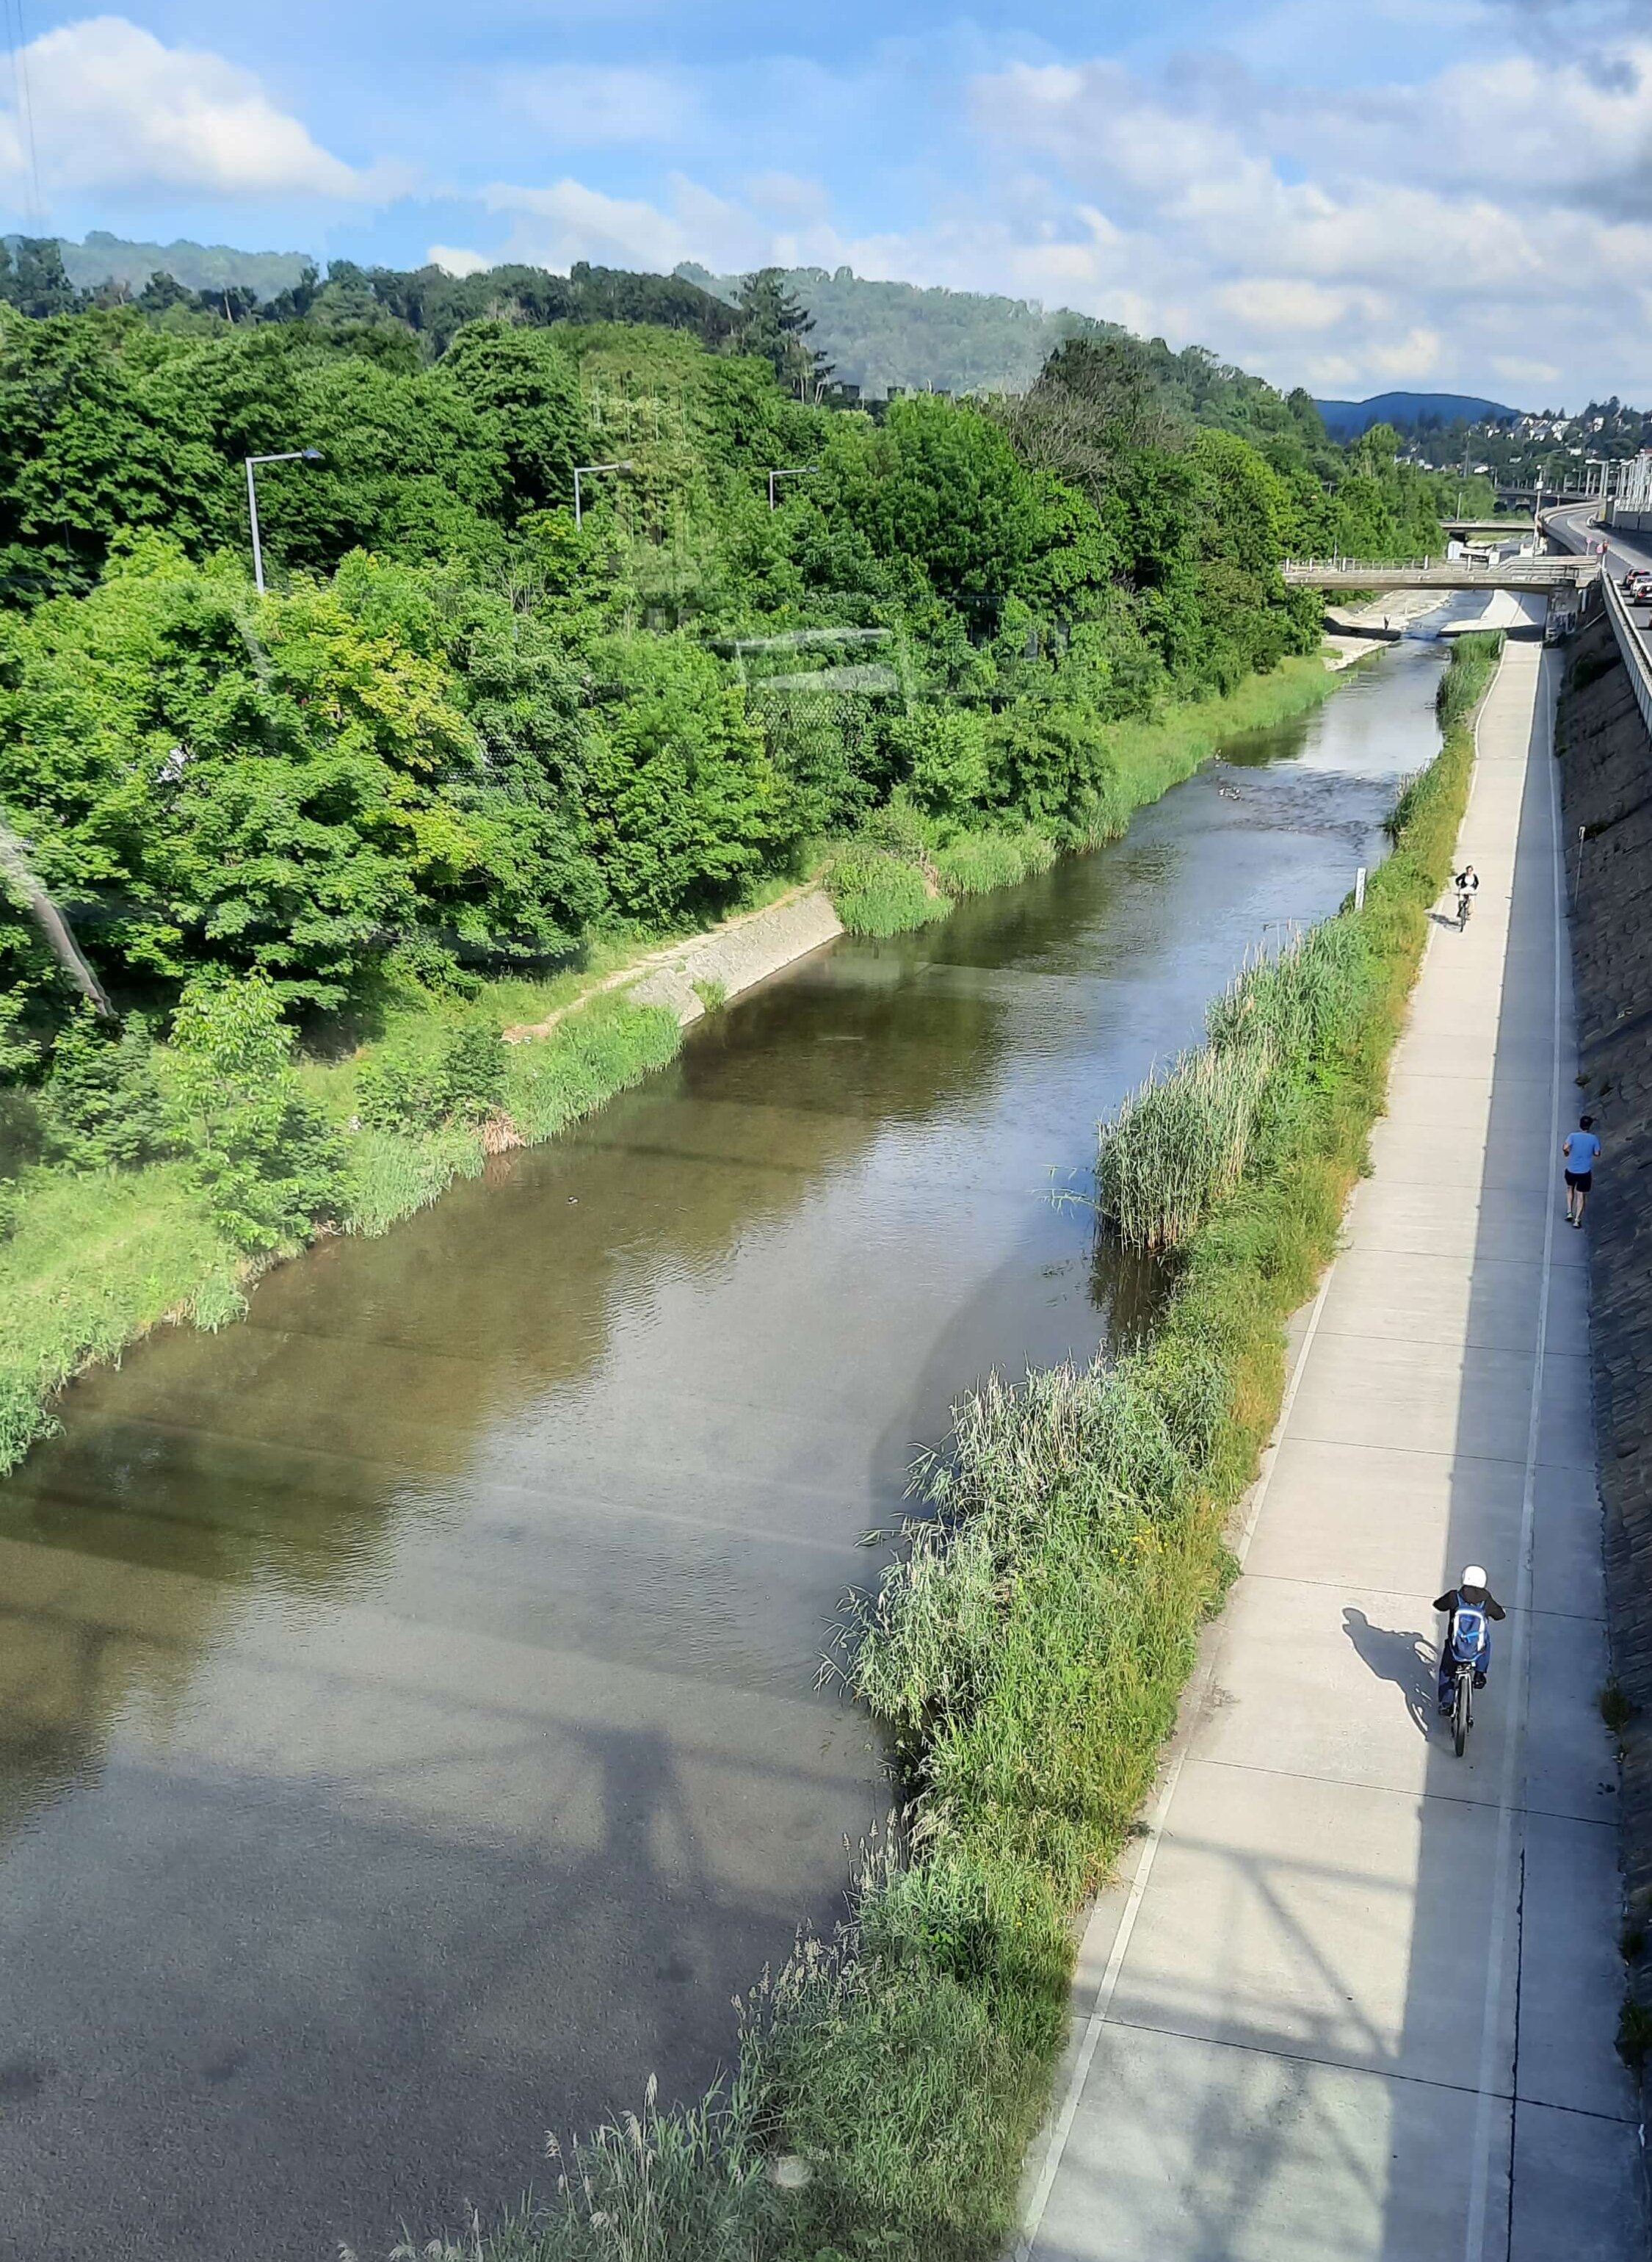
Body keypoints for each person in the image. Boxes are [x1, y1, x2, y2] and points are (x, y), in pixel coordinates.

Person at [1435, 1567, 1506, 1714]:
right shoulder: (1487, 1600)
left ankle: (1446, 1704)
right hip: (1475, 1648)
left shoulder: (1454, 1596)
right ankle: (1480, 1674)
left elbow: (1438, 1605)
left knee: (1446, 1669)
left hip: (1456, 1645)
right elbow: (1500, 1616)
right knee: (1485, 1643)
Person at [1563, 1114, 1601, 1229]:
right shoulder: (1594, 1139)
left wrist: (1567, 1153)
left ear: (1580, 1125)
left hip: (1571, 1170)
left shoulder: (1573, 1136)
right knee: (1581, 1195)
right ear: (1589, 1126)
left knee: (1570, 1189)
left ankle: (1569, 1211)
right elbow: (1597, 1153)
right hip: (1584, 1172)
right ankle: (1577, 1219)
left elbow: (1566, 1148)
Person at [1453, 864, 1479, 928]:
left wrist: (1474, 889)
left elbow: (1477, 883)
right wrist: (1459, 885)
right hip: (1463, 889)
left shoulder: (1474, 876)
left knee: (1471, 900)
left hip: (1471, 889)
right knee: (1461, 899)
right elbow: (1457, 880)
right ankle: (1460, 911)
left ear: (1472, 871)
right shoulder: (1464, 875)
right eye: (1468, 871)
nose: (1469, 872)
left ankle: (1469, 913)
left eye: (1470, 871)